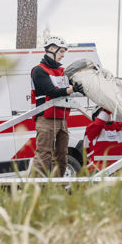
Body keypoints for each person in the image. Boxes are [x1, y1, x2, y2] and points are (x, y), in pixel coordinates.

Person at [30, 36, 84, 176]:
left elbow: (73, 89)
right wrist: (72, 89)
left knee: (62, 156)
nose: (63, 55)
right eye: (61, 51)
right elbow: (52, 92)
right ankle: (32, 190)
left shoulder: (63, 71)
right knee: (44, 155)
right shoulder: (38, 70)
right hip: (45, 119)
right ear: (51, 49)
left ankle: (58, 188)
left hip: (62, 119)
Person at [84, 107, 122, 171]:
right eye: (103, 113)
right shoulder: (91, 128)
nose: (108, 115)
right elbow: (98, 123)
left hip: (118, 171)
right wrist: (108, 106)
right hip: (97, 171)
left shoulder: (117, 127)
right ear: (96, 117)